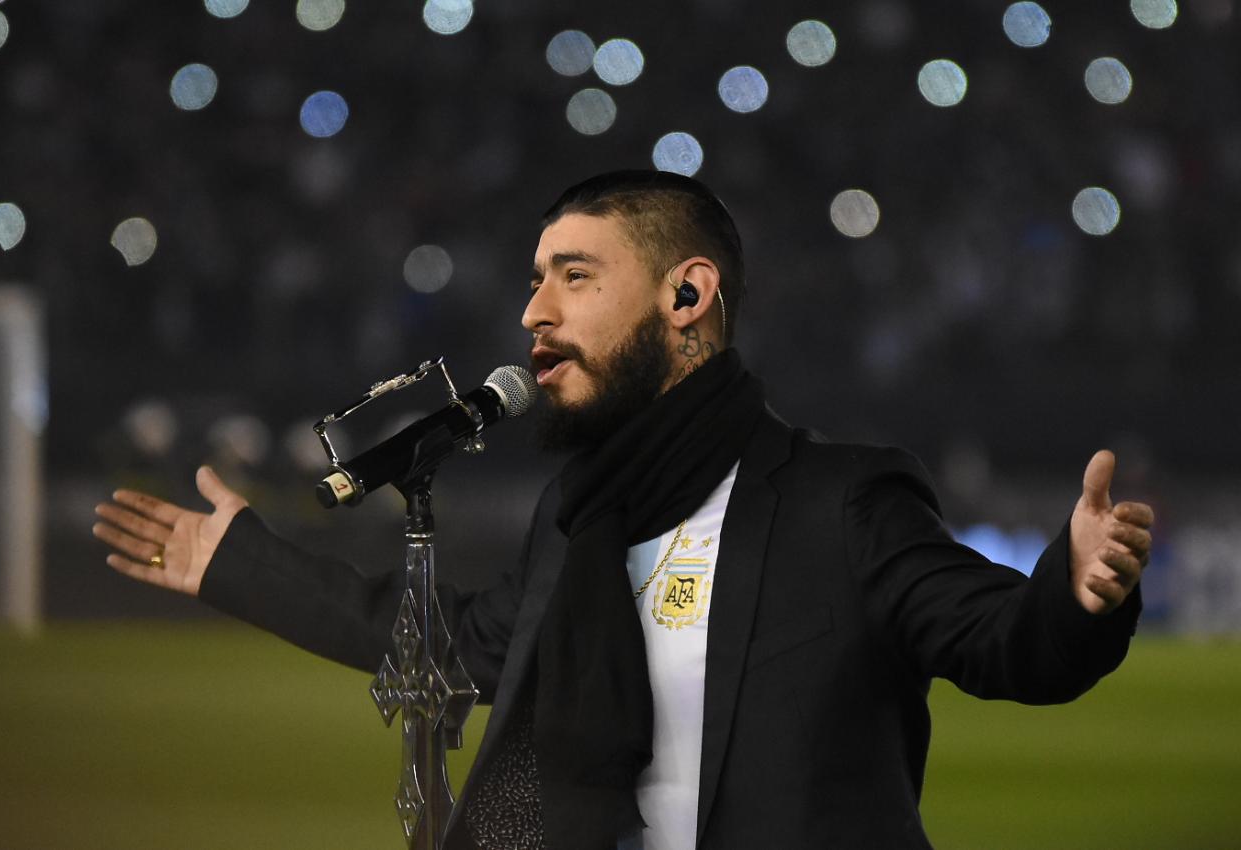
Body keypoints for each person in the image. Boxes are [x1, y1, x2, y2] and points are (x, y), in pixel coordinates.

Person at [93, 170, 1154, 850]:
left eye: (573, 276)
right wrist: (241, 560)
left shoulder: (839, 502)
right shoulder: (577, 519)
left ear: (685, 298)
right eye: (534, 279)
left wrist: (1073, 589)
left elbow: (1007, 645)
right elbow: (454, 646)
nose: (531, 315)